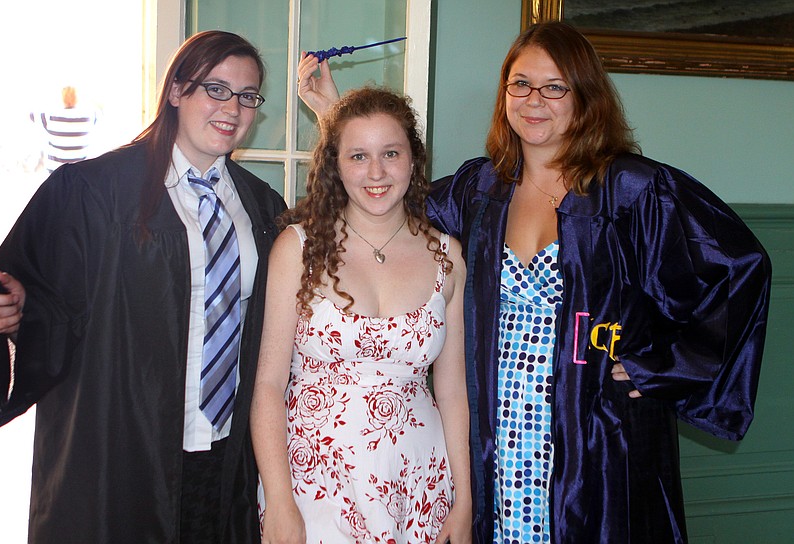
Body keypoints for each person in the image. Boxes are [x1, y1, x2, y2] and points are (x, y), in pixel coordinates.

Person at [297, 22, 772, 543]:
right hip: (496, 441)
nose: (534, 100)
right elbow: (384, 199)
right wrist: (332, 119)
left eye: (554, 87)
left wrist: (662, 364)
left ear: (584, 97)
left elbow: (738, 267)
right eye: (520, 84)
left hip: (595, 440)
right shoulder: (479, 189)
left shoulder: (632, 191)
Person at [0, 31, 286, 544]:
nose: (234, 108)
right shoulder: (92, 193)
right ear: (177, 90)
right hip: (120, 455)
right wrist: (14, 312)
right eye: (217, 89)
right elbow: (38, 295)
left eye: (248, 96)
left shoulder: (261, 207)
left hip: (224, 458)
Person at [251, 87, 472, 544]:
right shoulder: (297, 249)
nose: (377, 172)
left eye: (391, 153)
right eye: (358, 156)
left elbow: (451, 392)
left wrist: (463, 500)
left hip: (419, 480)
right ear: (335, 164)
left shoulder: (448, 257)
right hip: (313, 482)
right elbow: (269, 386)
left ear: (414, 159)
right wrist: (278, 498)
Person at [30, 85, 99, 172]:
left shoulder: (49, 116)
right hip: (80, 172)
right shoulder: (91, 116)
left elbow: (31, 115)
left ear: (61, 98)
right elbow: (99, 110)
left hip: (56, 173)